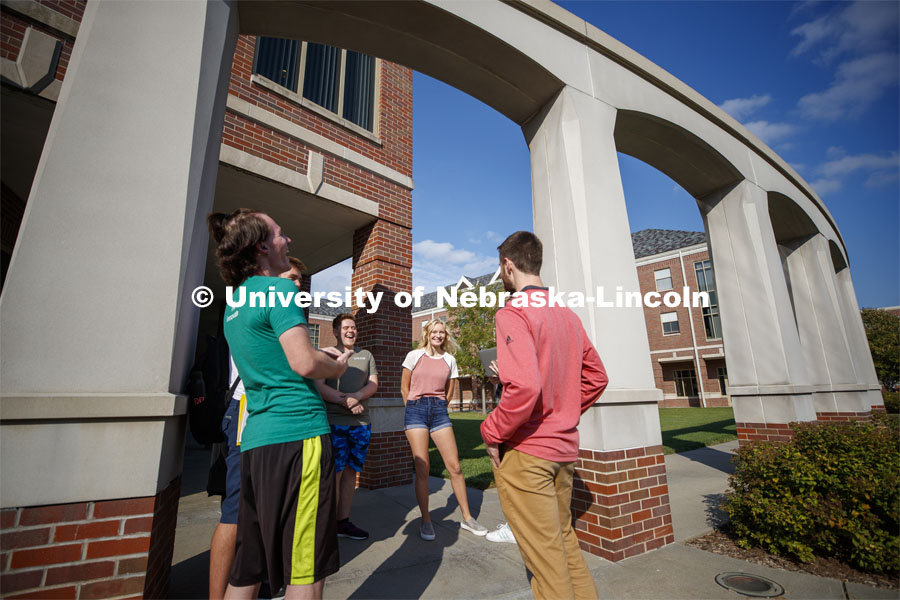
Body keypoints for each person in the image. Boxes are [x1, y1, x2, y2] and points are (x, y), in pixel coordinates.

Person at [207, 208, 352, 600]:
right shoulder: (281, 291)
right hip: (298, 436)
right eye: (280, 234)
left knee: (249, 565)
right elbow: (304, 361)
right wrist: (334, 364)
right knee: (304, 567)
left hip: (255, 441)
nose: (287, 240)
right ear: (262, 246)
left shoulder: (234, 304)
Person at [481, 231, 609, 600]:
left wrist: (491, 431)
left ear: (508, 266)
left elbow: (524, 389)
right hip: (565, 451)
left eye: (501, 268)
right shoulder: (567, 314)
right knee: (565, 545)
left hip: (528, 453)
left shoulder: (512, 312)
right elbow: (597, 377)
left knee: (546, 565)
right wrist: (564, 410)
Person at [401, 319, 488, 541]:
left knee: (455, 467)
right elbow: (404, 386)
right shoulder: (414, 356)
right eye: (434, 332)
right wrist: (411, 408)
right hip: (416, 410)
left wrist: (442, 405)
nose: (438, 335)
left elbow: (450, 388)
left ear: (445, 336)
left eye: (442, 332)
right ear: (427, 333)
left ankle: (468, 518)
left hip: (439, 412)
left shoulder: (450, 359)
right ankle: (426, 520)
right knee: (423, 468)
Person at [314, 312, 378, 540]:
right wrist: (347, 401)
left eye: (353, 328)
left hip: (361, 424)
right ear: (335, 332)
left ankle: (343, 522)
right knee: (335, 473)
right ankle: (326, 525)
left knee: (352, 473)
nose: (351, 331)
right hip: (334, 424)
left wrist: (357, 396)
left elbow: (373, 384)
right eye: (345, 328)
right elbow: (320, 387)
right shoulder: (326, 355)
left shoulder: (366, 355)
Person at [208, 353, 244, 598]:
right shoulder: (252, 314)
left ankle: (247, 580)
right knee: (236, 508)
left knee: (245, 505)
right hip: (248, 409)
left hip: (247, 409)